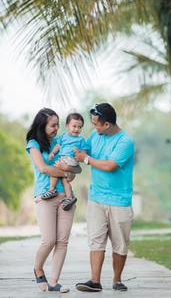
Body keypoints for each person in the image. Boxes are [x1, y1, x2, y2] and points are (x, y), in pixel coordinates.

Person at [74, 103, 134, 292]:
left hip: (119, 201)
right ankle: (95, 281)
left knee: (120, 244)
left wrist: (85, 159)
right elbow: (84, 153)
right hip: (96, 198)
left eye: (96, 124)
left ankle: (117, 280)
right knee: (96, 240)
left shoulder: (125, 142)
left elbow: (109, 165)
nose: (94, 127)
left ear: (107, 124)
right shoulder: (95, 136)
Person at [26, 108, 81, 293]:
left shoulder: (62, 142)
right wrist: (66, 172)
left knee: (62, 241)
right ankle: (38, 268)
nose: (57, 128)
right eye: (53, 125)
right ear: (43, 125)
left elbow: (74, 172)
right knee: (48, 240)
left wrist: (69, 173)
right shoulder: (34, 144)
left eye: (58, 124)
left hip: (66, 197)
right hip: (45, 196)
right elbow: (43, 168)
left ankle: (53, 282)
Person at [41, 112, 88, 211]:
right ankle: (69, 196)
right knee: (64, 180)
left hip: (70, 159)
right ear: (67, 126)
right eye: (74, 126)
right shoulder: (63, 137)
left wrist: (79, 152)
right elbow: (57, 147)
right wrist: (52, 153)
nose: (76, 129)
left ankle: (52, 189)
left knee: (55, 169)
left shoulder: (81, 139)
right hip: (65, 160)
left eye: (79, 127)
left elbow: (85, 151)